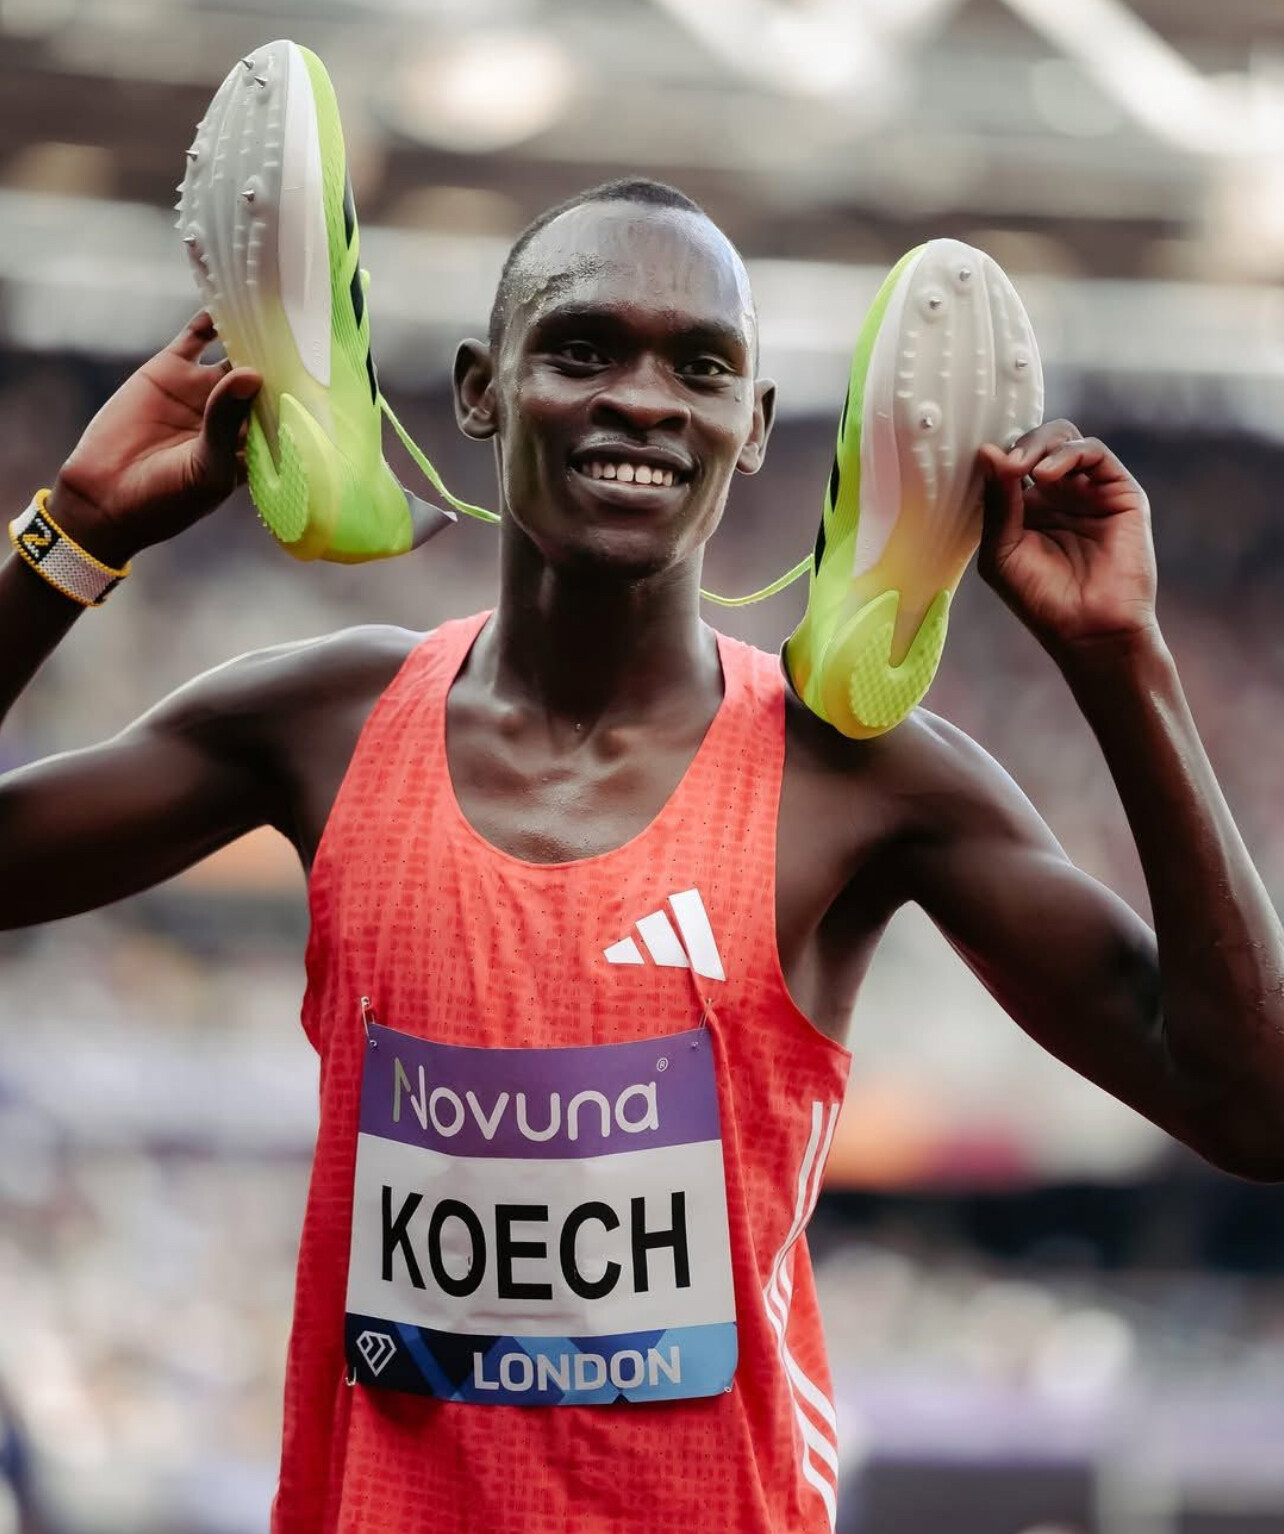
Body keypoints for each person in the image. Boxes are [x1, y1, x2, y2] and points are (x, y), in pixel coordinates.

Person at [2, 180, 1282, 1534]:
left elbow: (1253, 1112)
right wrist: (72, 536)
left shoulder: (860, 780)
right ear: (482, 389)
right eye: (583, 348)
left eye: (702, 367)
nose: (644, 400)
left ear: (755, 427)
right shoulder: (322, 724)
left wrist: (1121, 661)